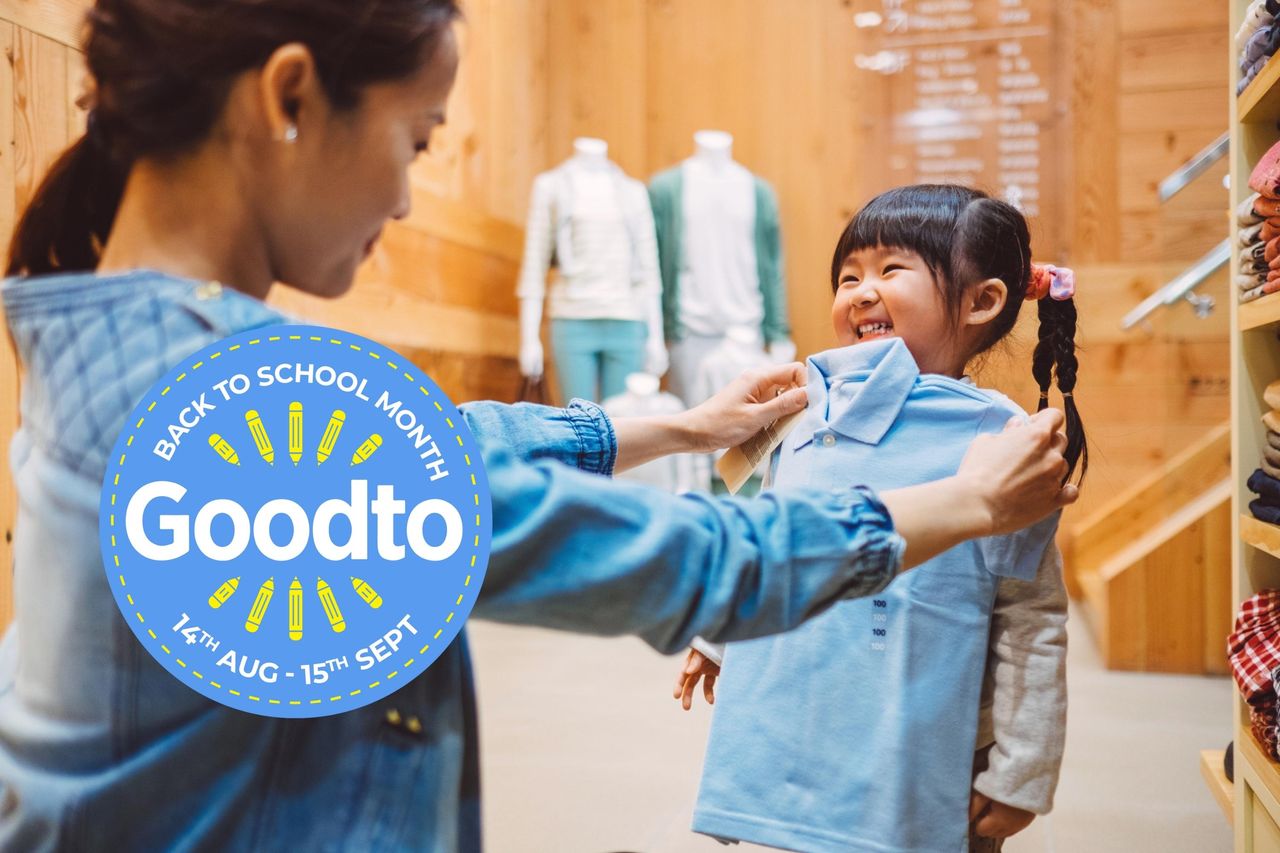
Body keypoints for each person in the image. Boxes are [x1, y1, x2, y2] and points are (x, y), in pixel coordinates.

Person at [0, 3, 1076, 850]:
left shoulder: (144, 345)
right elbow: (695, 560)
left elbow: (428, 447)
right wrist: (963, 501)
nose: (410, 199)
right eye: (417, 141)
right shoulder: (219, 405)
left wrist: (673, 429)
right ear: (288, 96)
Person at [674, 185, 1079, 853]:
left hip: (930, 730)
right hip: (804, 707)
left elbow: (1031, 614)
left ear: (982, 300)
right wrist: (719, 633)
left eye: (891, 270)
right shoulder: (803, 412)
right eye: (848, 277)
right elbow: (772, 539)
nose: (861, 292)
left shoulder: (1005, 437)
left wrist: (1021, 769)